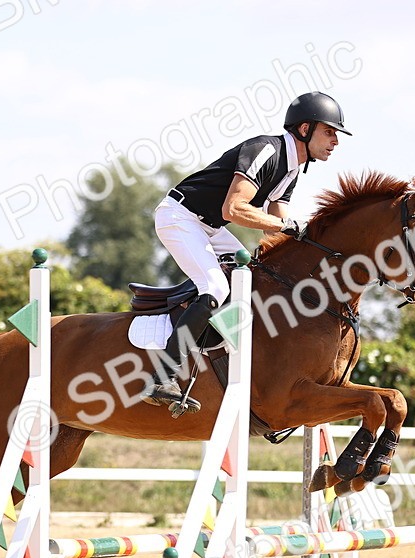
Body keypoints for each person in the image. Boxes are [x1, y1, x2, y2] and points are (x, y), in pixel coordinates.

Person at [141, 91, 351, 411]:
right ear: (305, 129)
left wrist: (313, 249)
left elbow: (274, 227)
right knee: (214, 287)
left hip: (209, 227)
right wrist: (290, 226)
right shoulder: (267, 149)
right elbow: (235, 208)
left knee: (253, 276)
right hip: (179, 217)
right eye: (329, 131)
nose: (335, 141)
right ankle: (162, 374)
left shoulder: (292, 169)